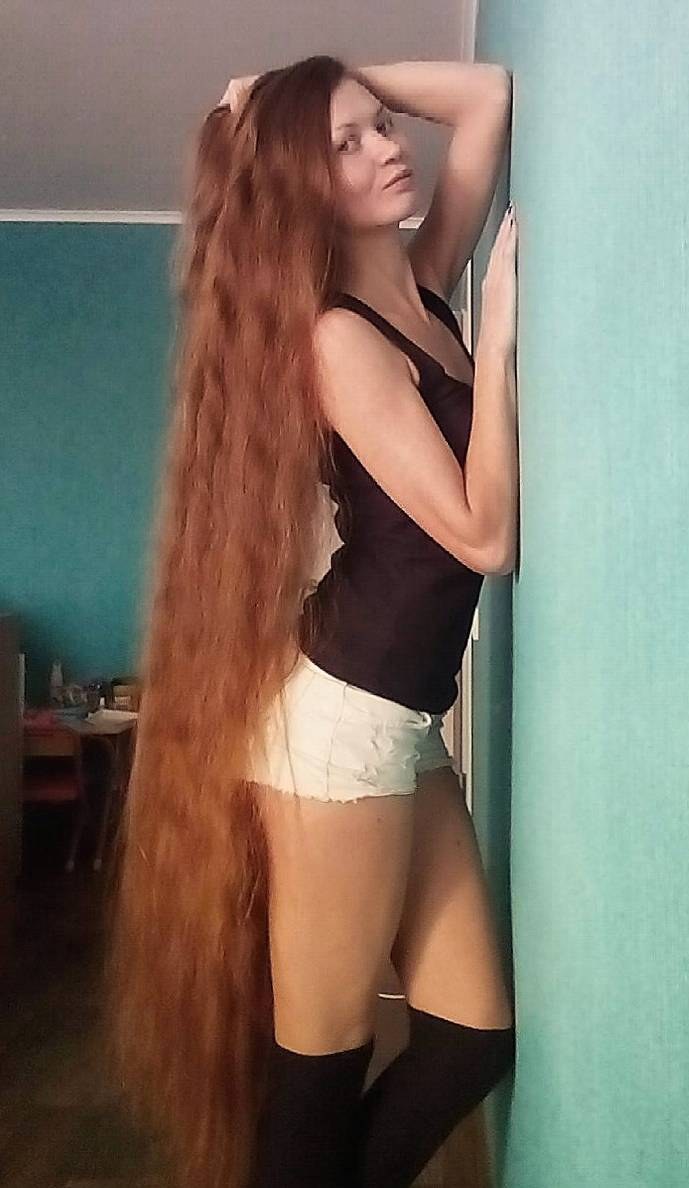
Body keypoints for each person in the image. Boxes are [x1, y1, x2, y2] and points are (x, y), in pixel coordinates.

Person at [102, 55, 518, 1188]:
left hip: (394, 720)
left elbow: (486, 97)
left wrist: (309, 86)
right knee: (321, 1063)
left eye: (380, 125)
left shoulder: (421, 289)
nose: (390, 147)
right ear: (302, 187)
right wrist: (502, 349)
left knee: (472, 1041)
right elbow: (483, 537)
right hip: (337, 730)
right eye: (346, 142)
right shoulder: (337, 337)